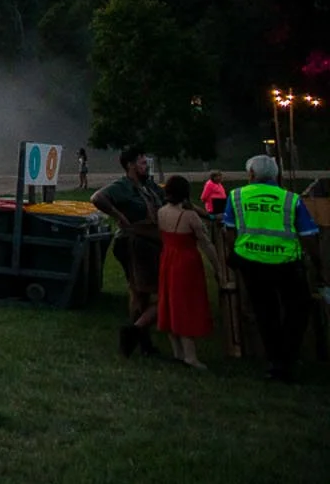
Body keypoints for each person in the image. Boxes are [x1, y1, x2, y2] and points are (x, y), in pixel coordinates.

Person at [221, 153, 321, 383]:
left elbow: (229, 229)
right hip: (286, 263)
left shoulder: (237, 196)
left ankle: (275, 360)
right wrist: (318, 264)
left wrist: (236, 251)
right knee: (298, 309)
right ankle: (288, 357)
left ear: (251, 174)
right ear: (275, 175)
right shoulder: (291, 199)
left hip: (251, 262)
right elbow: (308, 235)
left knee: (265, 313)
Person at [93, 148, 166, 358]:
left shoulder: (149, 185)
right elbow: (98, 198)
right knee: (139, 291)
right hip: (133, 241)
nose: (146, 166)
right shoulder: (123, 186)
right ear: (130, 165)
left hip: (151, 241)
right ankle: (138, 336)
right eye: (142, 163)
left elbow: (172, 198)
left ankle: (139, 336)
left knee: (144, 293)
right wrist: (118, 215)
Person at [156, 174, 230, 369]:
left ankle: (178, 352)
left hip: (167, 259)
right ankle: (190, 356)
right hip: (186, 263)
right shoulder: (189, 216)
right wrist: (218, 268)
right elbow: (206, 244)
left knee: (170, 303)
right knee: (186, 305)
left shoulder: (161, 212)